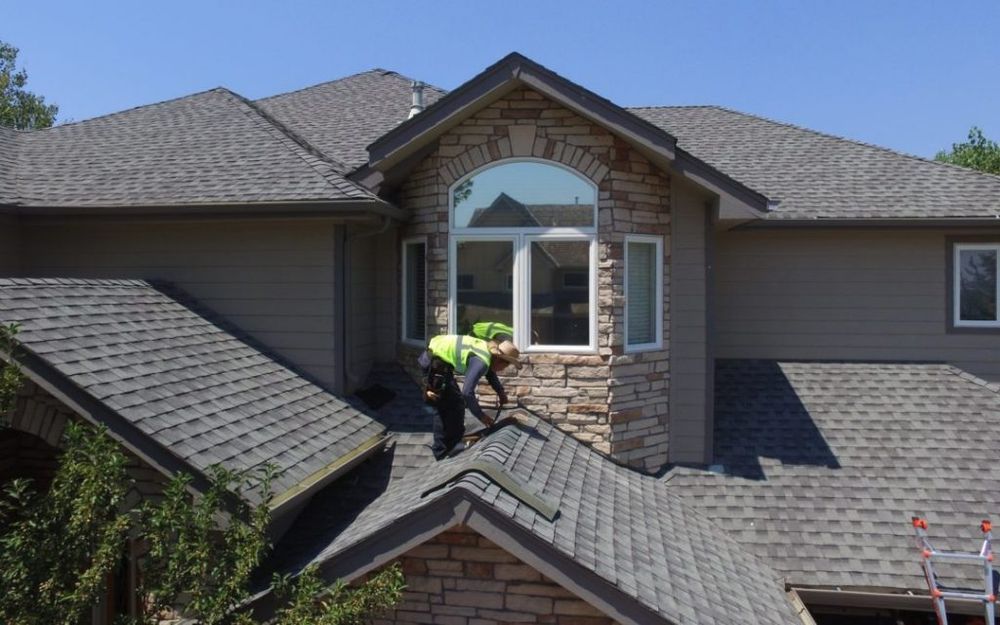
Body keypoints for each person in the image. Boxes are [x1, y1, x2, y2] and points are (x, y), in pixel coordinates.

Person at [418, 334, 522, 459]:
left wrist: (500, 392)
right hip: (434, 364)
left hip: (441, 363)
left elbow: (491, 374)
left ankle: (454, 443)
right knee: (444, 407)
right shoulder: (481, 361)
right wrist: (481, 416)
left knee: (457, 403)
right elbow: (467, 392)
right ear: (499, 359)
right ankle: (441, 452)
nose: (502, 370)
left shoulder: (488, 355)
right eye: (505, 366)